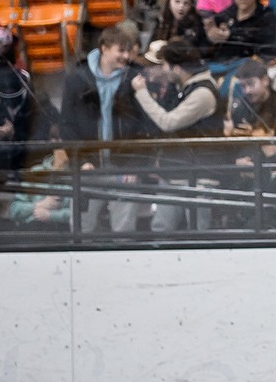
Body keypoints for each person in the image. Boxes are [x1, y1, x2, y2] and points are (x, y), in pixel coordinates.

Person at [57, 24, 146, 234]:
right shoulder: (77, 79)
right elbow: (67, 125)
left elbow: (144, 127)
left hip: (124, 169)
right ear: (104, 48)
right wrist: (81, 161)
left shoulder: (135, 79)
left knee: (124, 231)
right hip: (88, 168)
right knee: (81, 228)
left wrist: (134, 165)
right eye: (121, 50)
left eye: (128, 51)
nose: (126, 56)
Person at [130, 38, 222, 232]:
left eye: (164, 65)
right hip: (176, 172)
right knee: (161, 228)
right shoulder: (183, 88)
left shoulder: (202, 92)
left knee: (198, 232)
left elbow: (168, 123)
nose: (162, 70)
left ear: (177, 68)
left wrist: (142, 93)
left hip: (199, 177)